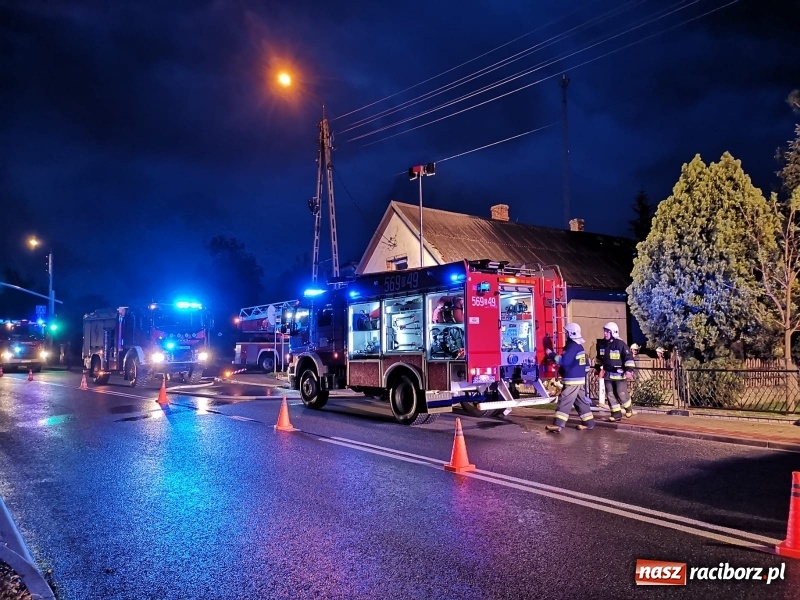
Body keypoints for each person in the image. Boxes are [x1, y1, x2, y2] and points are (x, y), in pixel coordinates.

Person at [544, 322, 594, 433]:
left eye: (566, 332)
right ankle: (589, 423)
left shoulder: (572, 347)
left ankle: (558, 424)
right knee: (580, 401)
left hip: (572, 380)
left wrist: (551, 354)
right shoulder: (578, 346)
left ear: (571, 333)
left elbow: (564, 361)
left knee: (565, 400)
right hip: (578, 379)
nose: (565, 334)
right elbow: (584, 364)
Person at [595, 322, 636, 421]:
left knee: (621, 393)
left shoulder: (620, 344)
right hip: (608, 374)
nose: (605, 334)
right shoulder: (602, 345)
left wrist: (629, 370)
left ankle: (628, 407)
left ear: (613, 332)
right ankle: (616, 413)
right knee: (610, 394)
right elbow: (599, 359)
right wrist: (598, 369)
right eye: (604, 331)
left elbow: (628, 358)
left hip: (619, 374)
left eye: (607, 332)